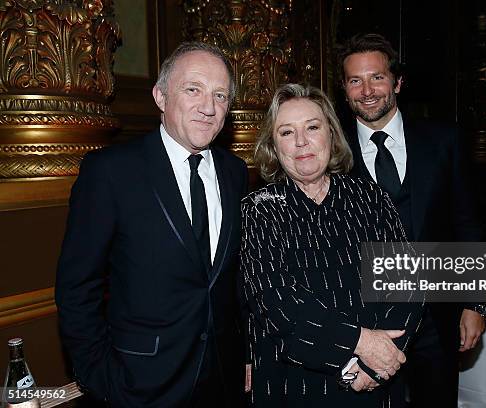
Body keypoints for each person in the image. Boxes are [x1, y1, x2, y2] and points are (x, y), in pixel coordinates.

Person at [55, 41, 248, 407]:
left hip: (224, 379)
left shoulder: (234, 172)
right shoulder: (110, 171)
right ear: (160, 96)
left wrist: (247, 353)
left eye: (220, 95)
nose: (208, 107)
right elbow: (77, 287)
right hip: (141, 385)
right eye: (193, 89)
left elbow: (232, 280)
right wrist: (102, 377)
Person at [241, 83, 425, 407]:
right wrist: (359, 347)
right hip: (295, 387)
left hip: (378, 381)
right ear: (274, 145)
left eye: (312, 127)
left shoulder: (371, 198)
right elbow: (278, 304)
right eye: (286, 132)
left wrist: (375, 362)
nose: (301, 142)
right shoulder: (259, 209)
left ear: (331, 133)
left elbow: (406, 283)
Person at [338, 33, 486, 407]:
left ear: (398, 82)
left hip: (437, 318)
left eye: (377, 77)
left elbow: (468, 223)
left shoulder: (443, 140)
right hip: (363, 324)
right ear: (344, 89)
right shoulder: (331, 152)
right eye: (355, 80)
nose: (367, 90)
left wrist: (475, 303)